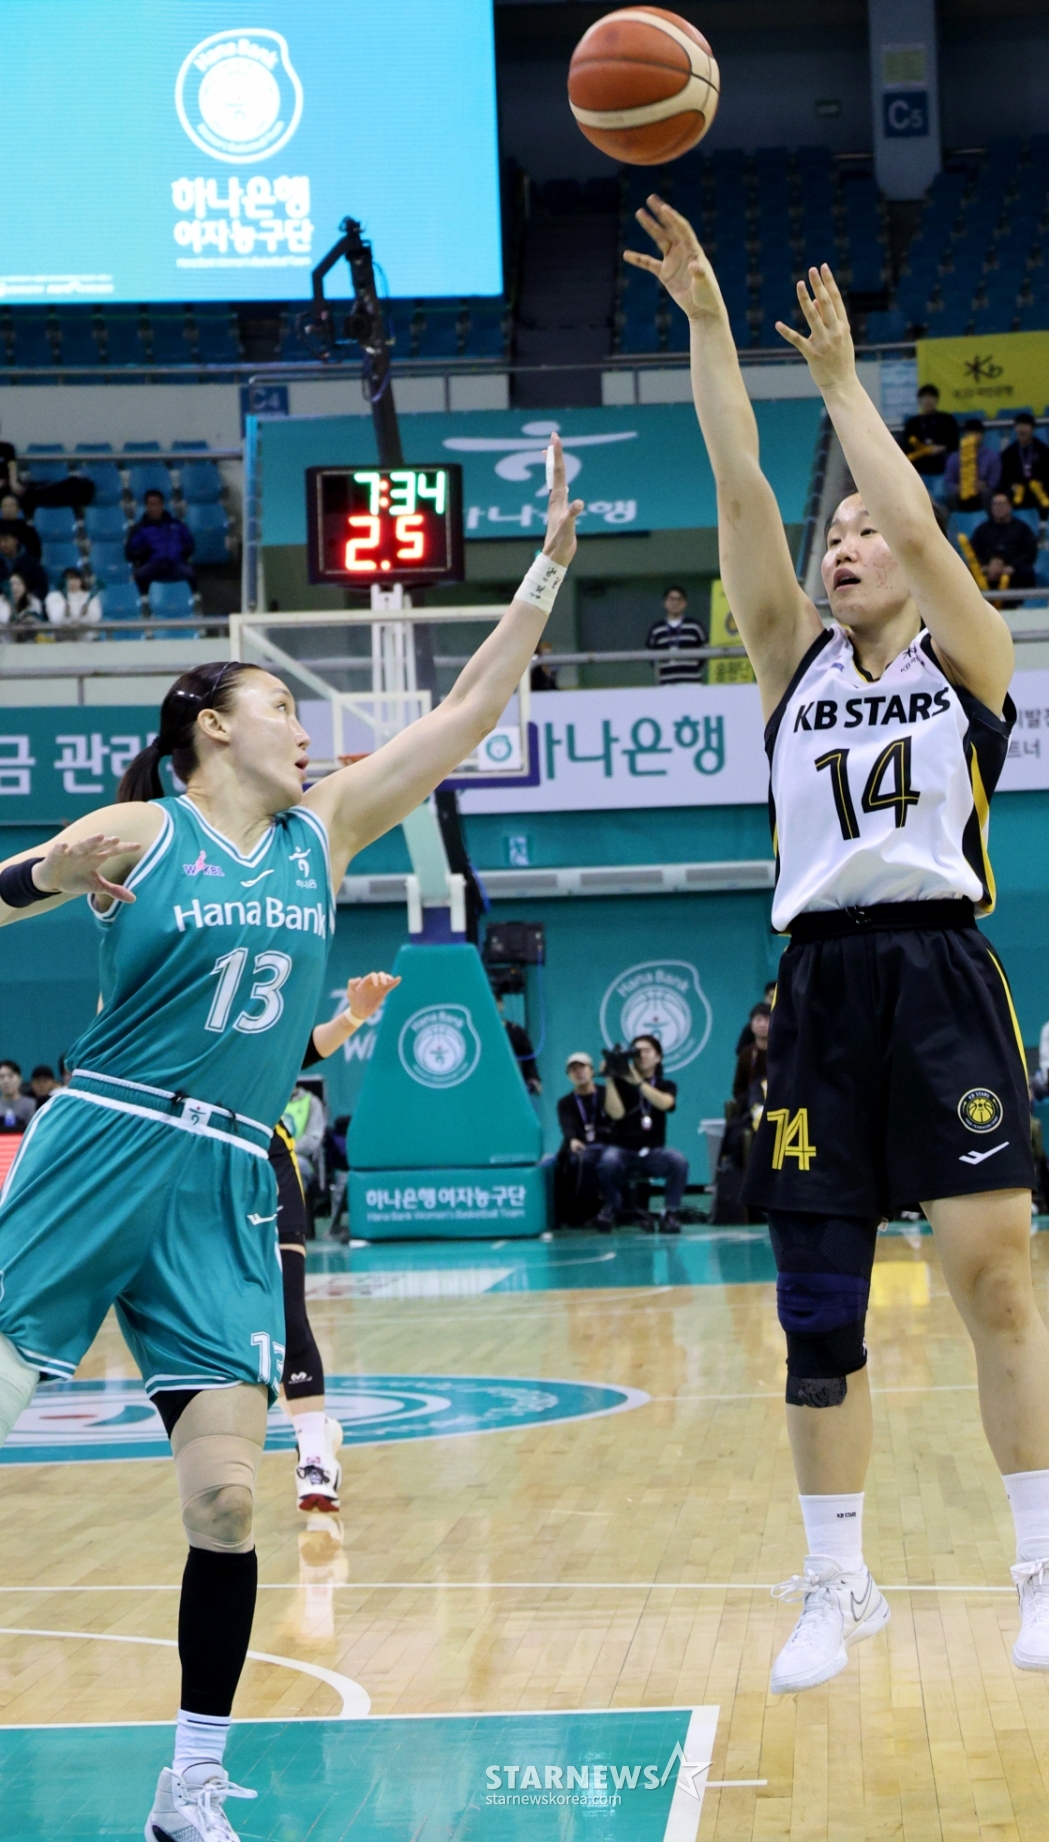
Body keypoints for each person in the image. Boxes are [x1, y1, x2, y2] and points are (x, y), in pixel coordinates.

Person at [0, 436, 582, 1841]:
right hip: (102, 1145)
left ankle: (190, 1785)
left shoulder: (324, 833)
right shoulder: (142, 828)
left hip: (224, 1179)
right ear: (211, 726)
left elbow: (468, 714)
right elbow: (8, 891)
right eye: (278, 704)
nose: (303, 726)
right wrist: (45, 871)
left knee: (224, 1501)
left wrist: (548, 570)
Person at [626, 199, 1049, 1689]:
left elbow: (924, 527)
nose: (844, 544)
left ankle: (1044, 1566)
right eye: (836, 534)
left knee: (994, 1278)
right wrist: (709, 329)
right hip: (820, 988)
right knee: (816, 1314)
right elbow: (739, 489)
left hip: (943, 973)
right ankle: (836, 1584)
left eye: (863, 529)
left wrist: (841, 388)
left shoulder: (971, 659)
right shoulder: (789, 667)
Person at [270, 970, 400, 1513]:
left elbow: (307, 1046)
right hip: (193, 1169)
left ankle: (315, 1456)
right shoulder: (167, 1014)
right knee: (224, 1329)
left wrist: (355, 1015)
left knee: (287, 1314)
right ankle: (312, 1430)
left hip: (265, 1161)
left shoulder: (254, 1013)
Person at [596, 1034, 689, 1233]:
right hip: (622, 1150)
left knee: (678, 1161)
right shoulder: (620, 1084)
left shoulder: (666, 1085)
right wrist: (610, 1080)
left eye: (647, 1051)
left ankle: (670, 1212)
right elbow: (616, 1113)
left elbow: (665, 1103)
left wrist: (638, 1083)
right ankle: (612, 1206)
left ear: (658, 1057)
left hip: (652, 1152)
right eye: (637, 1052)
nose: (642, 1056)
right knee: (608, 1161)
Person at [554, 1051, 609, 1227]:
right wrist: (572, 1139)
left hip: (607, 1145)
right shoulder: (565, 1102)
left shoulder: (607, 1094)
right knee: (576, 1161)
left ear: (591, 1070)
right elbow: (567, 1125)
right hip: (582, 1147)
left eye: (582, 1067)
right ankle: (581, 1213)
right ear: (568, 1076)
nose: (578, 1072)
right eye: (573, 1070)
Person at [124, 489, 196, 596]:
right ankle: (144, 603)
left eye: (157, 504)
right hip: (152, 564)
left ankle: (190, 601)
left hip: (176, 563)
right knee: (140, 577)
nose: (154, 508)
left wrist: (181, 550)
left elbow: (190, 545)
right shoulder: (140, 528)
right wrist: (144, 551)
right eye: (151, 505)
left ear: (162, 505)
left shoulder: (177, 525)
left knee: (191, 574)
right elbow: (130, 553)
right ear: (146, 506)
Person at [968, 489, 1039, 589]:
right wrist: (987, 567)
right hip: (987, 569)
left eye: (1001, 504)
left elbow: (1029, 553)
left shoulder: (1022, 528)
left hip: (1013, 571)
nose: (998, 508)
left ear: (1009, 507)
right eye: (995, 505)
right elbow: (974, 552)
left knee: (1026, 572)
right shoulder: (982, 530)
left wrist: (1010, 567)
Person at [998, 413, 1049, 514]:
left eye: (1025, 426)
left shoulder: (1043, 450)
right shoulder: (1008, 453)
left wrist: (1042, 482)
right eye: (1019, 426)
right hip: (1018, 490)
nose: (1021, 430)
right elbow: (1004, 476)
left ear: (1032, 429)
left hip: (1037, 489)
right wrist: (1012, 485)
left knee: (1044, 494)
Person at [645, 585, 707, 684]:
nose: (675, 603)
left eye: (678, 599)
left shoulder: (694, 626)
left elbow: (705, 650)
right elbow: (650, 653)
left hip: (692, 682)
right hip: (666, 682)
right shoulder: (656, 629)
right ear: (665, 603)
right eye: (671, 599)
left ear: (684, 603)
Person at [898, 382, 960, 478]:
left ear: (937, 400)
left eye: (931, 397)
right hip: (919, 461)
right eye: (925, 397)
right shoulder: (912, 422)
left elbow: (954, 443)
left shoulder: (947, 419)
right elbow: (907, 444)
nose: (928, 400)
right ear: (919, 401)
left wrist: (940, 448)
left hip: (941, 460)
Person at [942, 418, 1000, 511]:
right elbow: (949, 480)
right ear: (964, 436)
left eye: (976, 433)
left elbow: (995, 480)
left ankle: (990, 519)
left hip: (981, 493)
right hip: (961, 492)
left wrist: (985, 484)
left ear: (982, 436)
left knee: (988, 495)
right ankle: (953, 520)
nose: (973, 437)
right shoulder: (954, 457)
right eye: (969, 433)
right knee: (950, 497)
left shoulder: (992, 456)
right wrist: (956, 487)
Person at [497, 994, 541, 1094]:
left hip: (512, 1084)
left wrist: (533, 1078)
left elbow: (528, 1059)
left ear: (501, 1005)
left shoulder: (516, 1030)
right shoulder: (479, 1032)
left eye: (494, 1001)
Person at [734, 1002, 771, 1110]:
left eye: (767, 1020)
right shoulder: (746, 1055)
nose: (762, 1024)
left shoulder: (784, 1053)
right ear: (751, 1025)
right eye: (758, 1020)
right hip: (752, 1108)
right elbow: (738, 1089)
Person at [45, 566, 102, 636]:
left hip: (85, 638)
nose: (73, 582)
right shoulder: (54, 596)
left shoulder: (90, 597)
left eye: (76, 579)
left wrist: (85, 615)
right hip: (61, 637)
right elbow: (55, 619)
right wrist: (65, 613)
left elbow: (95, 618)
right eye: (69, 579)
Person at [0, 531, 49, 602]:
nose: (2, 544)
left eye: (6, 540)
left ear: (15, 540)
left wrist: (29, 598)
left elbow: (41, 586)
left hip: (28, 602)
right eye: (0, 541)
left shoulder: (31, 562)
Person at [0, 571, 47, 640]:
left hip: (28, 642)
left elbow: (38, 622)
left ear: (25, 586)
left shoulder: (34, 601)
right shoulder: (1, 601)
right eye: (11, 584)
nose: (15, 588)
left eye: (18, 584)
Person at [736, 981, 777, 1054]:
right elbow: (741, 1052)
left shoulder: (789, 1025)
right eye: (772, 998)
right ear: (765, 998)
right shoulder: (750, 1028)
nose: (774, 1002)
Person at [0, 491, 43, 560]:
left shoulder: (28, 530)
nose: (8, 509)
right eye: (5, 506)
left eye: (11, 506)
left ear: (18, 509)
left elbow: (35, 553)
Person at [0, 1059, 36, 1132]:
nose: (6, 1081)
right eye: (1, 1077)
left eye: (10, 1076)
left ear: (19, 1079)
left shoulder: (31, 1104)